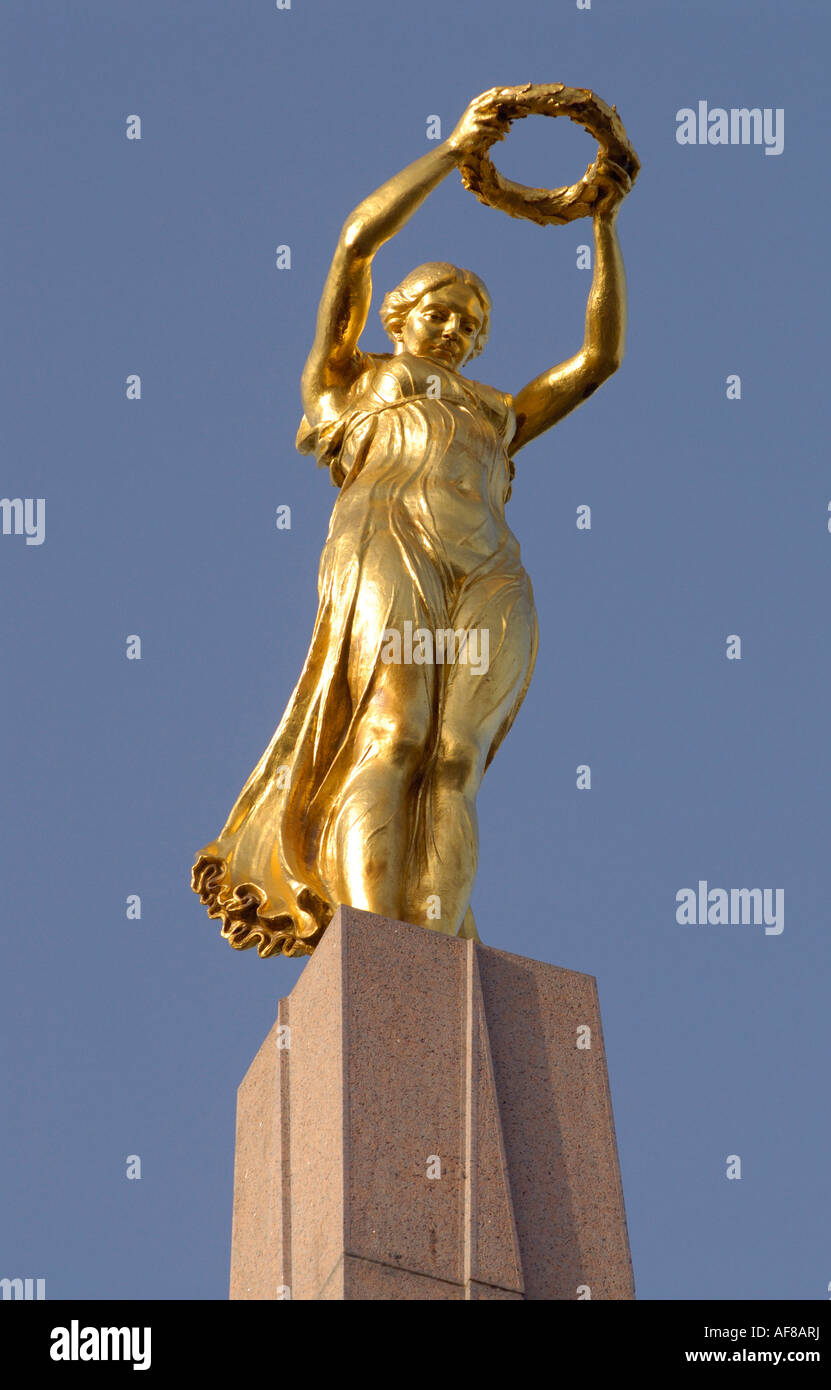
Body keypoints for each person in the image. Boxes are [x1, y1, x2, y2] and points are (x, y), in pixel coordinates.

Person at [192, 90, 630, 957]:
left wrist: (602, 224)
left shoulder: (499, 412)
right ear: (398, 314)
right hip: (389, 540)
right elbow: (356, 240)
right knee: (392, 733)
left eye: (470, 323)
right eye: (437, 311)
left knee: (456, 757)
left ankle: (437, 945)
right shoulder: (350, 379)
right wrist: (454, 149)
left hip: (489, 567)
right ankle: (375, 946)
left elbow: (598, 360)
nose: (455, 330)